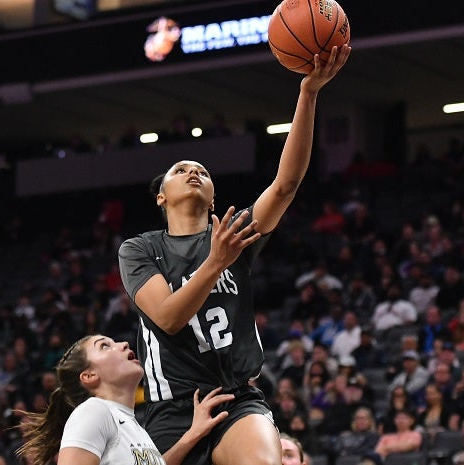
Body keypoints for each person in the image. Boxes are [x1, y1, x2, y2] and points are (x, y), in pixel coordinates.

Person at [117, 45, 350, 465]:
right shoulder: (140, 248)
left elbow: (286, 185)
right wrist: (215, 262)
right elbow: (168, 318)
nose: (193, 171)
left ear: (212, 199)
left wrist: (308, 92)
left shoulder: (234, 234)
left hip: (236, 394)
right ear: (160, 198)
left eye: (202, 171)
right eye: (180, 169)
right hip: (172, 406)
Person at [17, 334, 236, 465]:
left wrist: (193, 434)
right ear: (89, 376)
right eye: (105, 346)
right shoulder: (94, 411)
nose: (122, 344)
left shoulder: (131, 426)